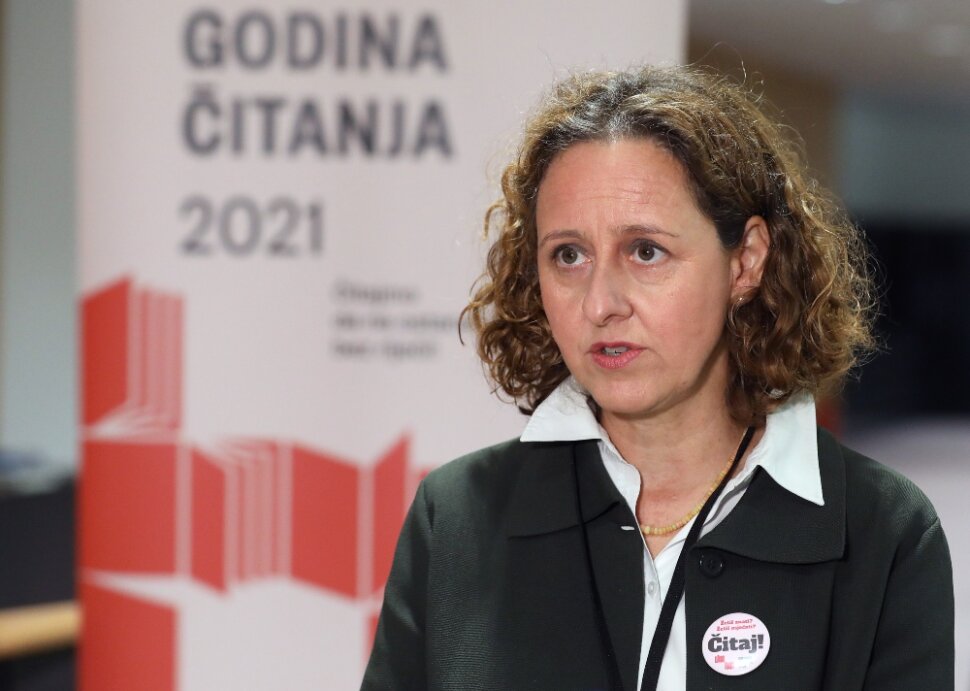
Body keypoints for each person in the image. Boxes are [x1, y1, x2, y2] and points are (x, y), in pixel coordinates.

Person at [360, 65, 954, 690]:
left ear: (746, 262)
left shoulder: (881, 531)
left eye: (646, 251)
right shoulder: (456, 517)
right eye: (568, 255)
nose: (600, 304)